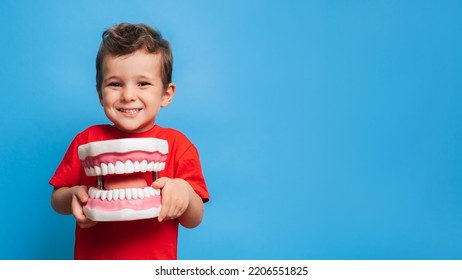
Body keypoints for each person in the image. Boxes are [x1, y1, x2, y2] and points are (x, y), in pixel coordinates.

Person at [49, 23, 209, 260]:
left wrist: (185, 192)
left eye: (143, 83)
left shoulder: (178, 145)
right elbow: (57, 198)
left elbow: (194, 219)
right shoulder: (86, 141)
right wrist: (72, 195)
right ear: (100, 93)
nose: (128, 95)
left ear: (166, 94)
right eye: (115, 84)